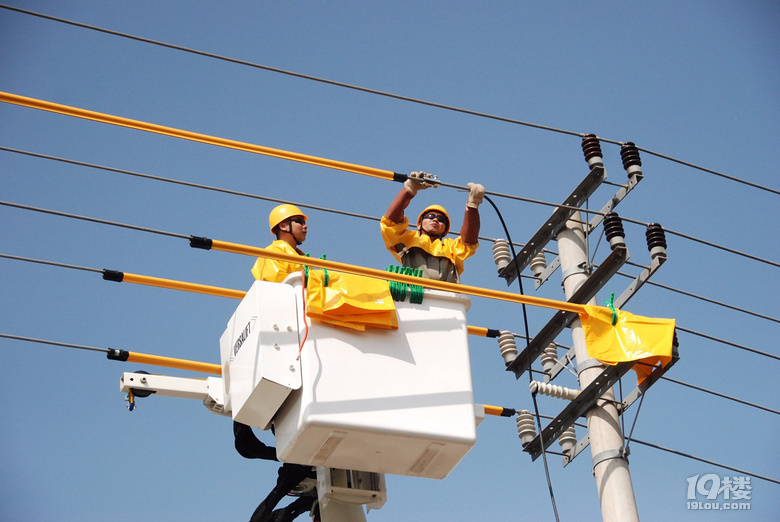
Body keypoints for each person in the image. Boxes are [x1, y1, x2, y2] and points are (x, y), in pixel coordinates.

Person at [236, 203, 319, 522]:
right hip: (287, 339)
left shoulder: (300, 258)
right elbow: (275, 298)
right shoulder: (276, 254)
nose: (305, 226)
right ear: (284, 226)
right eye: (300, 221)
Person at [381, 172, 485, 283]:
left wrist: (473, 205)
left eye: (441, 220)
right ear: (419, 225)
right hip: (415, 294)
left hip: (446, 296)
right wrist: (409, 190)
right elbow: (390, 222)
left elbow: (469, 241)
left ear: (445, 230)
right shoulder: (409, 240)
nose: (435, 219)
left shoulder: (450, 247)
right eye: (430, 216)